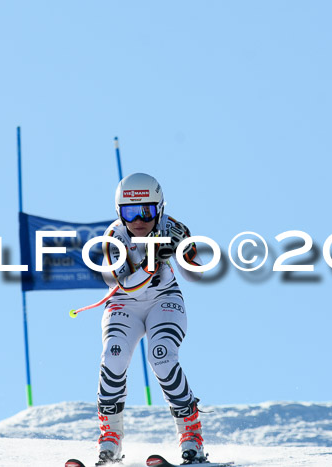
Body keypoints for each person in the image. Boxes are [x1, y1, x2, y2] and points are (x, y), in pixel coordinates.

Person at [96, 172, 207, 465]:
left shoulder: (175, 229)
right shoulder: (114, 237)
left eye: (146, 211)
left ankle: (191, 437)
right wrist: (150, 262)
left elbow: (197, 275)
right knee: (113, 358)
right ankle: (110, 440)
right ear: (119, 212)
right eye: (130, 212)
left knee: (162, 357)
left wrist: (182, 255)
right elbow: (121, 285)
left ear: (159, 209)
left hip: (164, 299)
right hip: (124, 302)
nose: (138, 220)